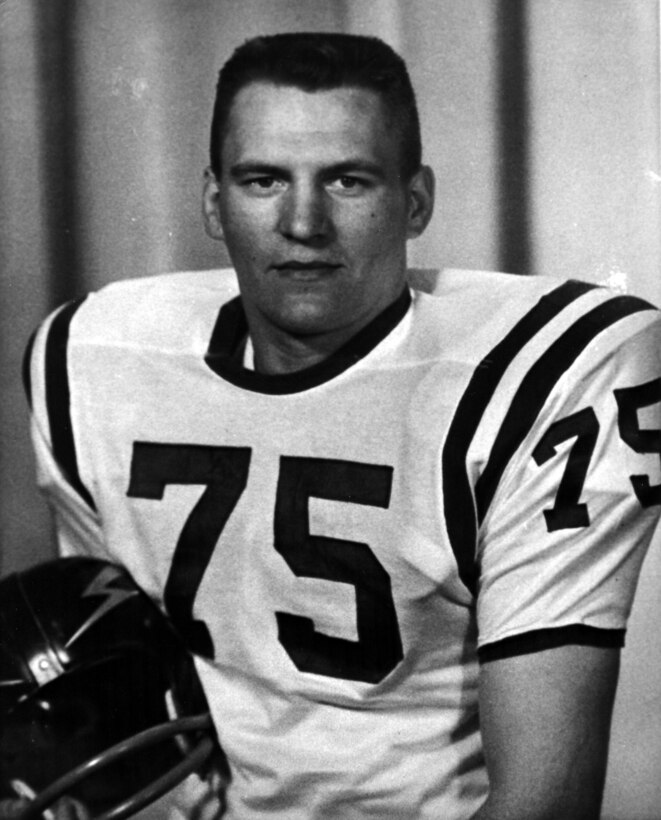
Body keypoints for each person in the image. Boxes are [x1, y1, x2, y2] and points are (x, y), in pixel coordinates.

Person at [20, 31, 661, 820]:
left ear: (415, 200)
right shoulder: (97, 354)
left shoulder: (544, 373)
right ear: (213, 204)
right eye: (262, 180)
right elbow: (116, 695)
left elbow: (545, 801)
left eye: (347, 180)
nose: (303, 222)